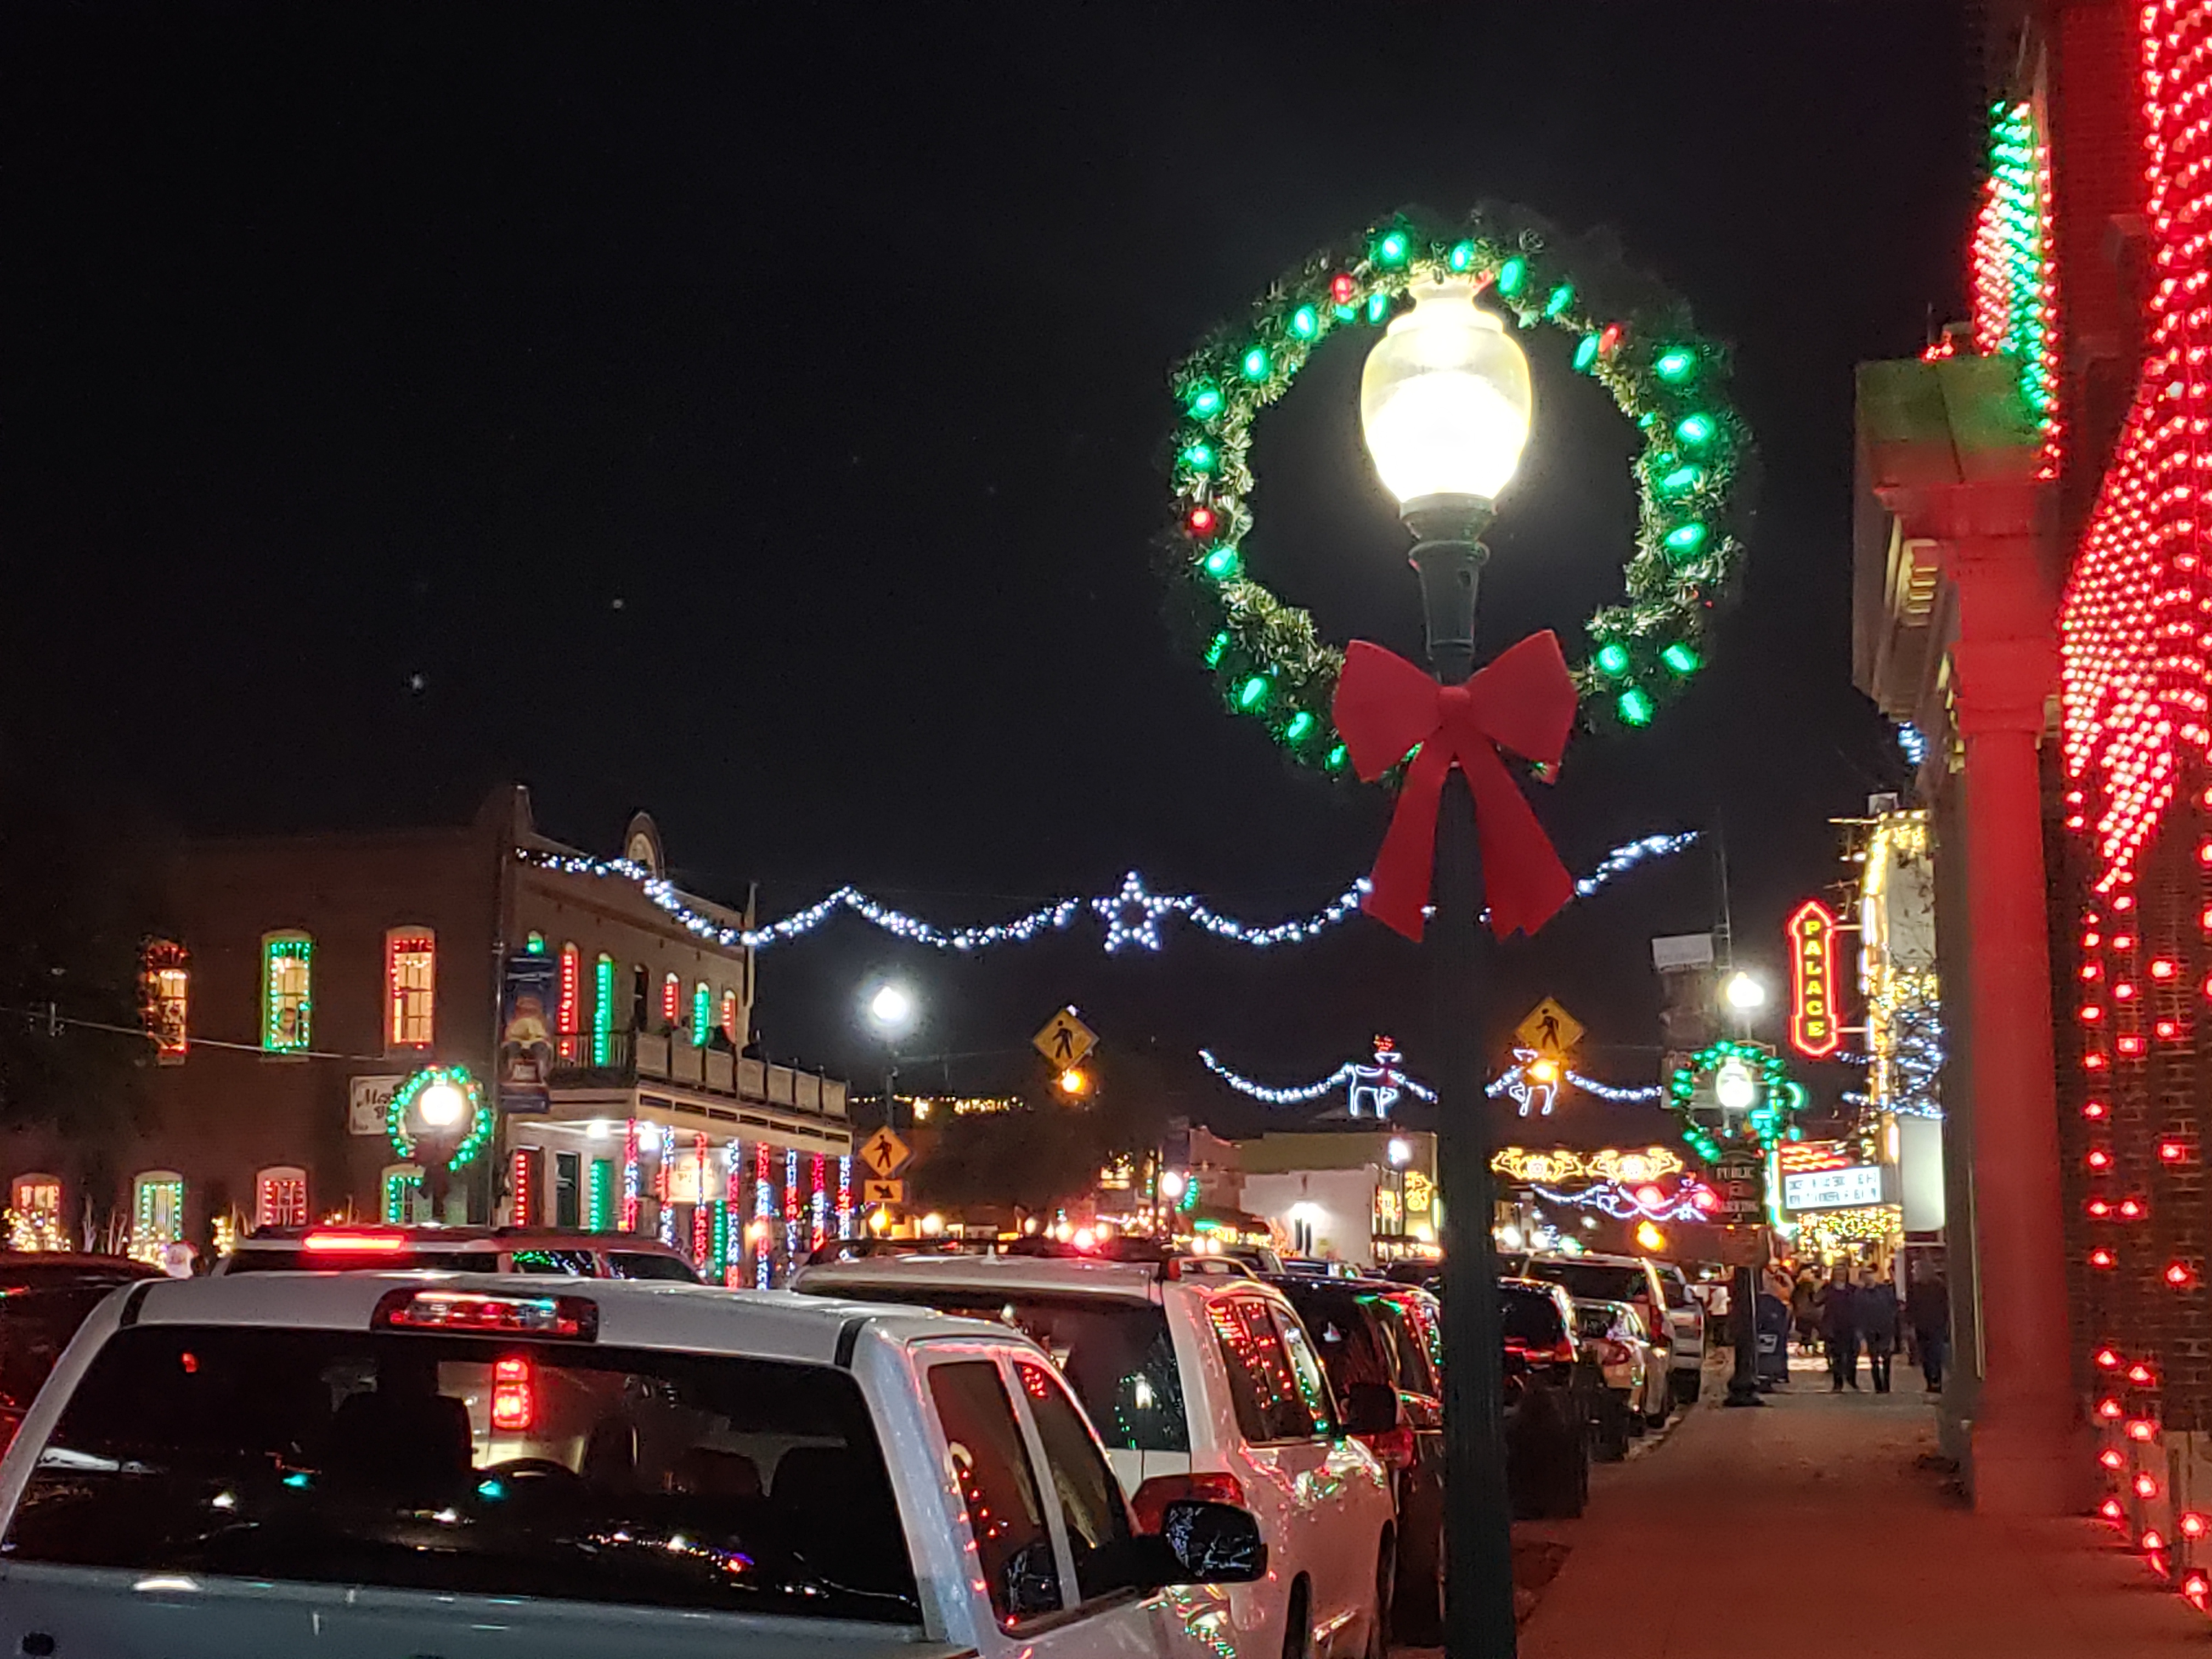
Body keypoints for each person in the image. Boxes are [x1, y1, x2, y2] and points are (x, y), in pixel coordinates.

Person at [1906, 1261, 1951, 1392]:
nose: (1913, 1272)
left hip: (1936, 1326)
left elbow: (1945, 1307)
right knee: (1925, 1356)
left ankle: (1936, 1380)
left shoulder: (1938, 1287)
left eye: (1915, 1269)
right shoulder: (1914, 1288)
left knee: (1935, 1355)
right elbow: (1911, 1308)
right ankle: (1930, 1382)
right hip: (1922, 1327)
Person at [1858, 1269, 1900, 1394]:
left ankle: (1886, 1385)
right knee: (1874, 1358)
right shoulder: (1860, 1295)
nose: (1869, 1278)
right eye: (1866, 1276)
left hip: (1885, 1328)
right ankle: (1878, 1385)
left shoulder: (1885, 1291)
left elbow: (1893, 1307)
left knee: (1887, 1357)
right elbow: (1858, 1314)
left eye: (1870, 1275)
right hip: (1870, 1330)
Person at [1821, 1266, 1860, 1391]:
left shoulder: (1853, 1290)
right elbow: (1816, 1301)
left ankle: (1852, 1380)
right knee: (1837, 1356)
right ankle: (1838, 1383)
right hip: (1834, 1327)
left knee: (1852, 1356)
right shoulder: (1828, 1290)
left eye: (1842, 1272)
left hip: (1851, 1326)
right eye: (1837, 1272)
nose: (1840, 1275)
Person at [1790, 1271, 1822, 1356]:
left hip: (1800, 1312)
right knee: (1812, 1331)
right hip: (1808, 1312)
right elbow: (1814, 1299)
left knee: (1806, 1333)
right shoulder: (1809, 1286)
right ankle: (1811, 1348)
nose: (1813, 1276)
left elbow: (1793, 1298)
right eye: (1811, 1274)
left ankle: (1806, 1348)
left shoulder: (1798, 1287)